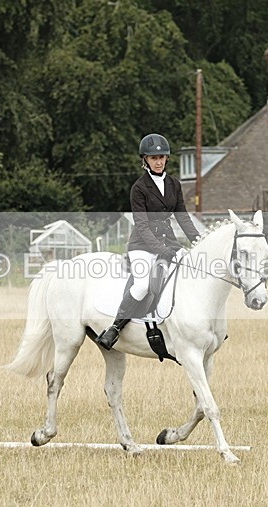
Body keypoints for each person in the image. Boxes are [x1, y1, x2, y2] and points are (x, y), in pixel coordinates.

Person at [96, 133, 201, 350]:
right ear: (145, 160)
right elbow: (142, 225)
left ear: (167, 158)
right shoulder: (139, 188)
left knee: (191, 273)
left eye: (161, 157)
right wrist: (160, 249)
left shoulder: (174, 184)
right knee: (143, 284)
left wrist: (198, 240)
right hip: (142, 246)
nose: (159, 162)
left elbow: (182, 217)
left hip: (169, 243)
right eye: (154, 158)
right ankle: (115, 327)